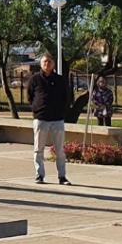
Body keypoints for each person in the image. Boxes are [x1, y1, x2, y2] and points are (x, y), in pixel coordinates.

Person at [27, 53, 71, 185]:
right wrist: (36, 109)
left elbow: (66, 97)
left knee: (60, 150)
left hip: (57, 119)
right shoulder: (34, 79)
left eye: (49, 62)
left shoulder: (60, 79)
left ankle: (62, 177)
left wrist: (62, 111)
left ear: (53, 64)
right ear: (41, 64)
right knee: (38, 149)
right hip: (41, 118)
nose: (47, 64)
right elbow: (29, 96)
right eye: (45, 62)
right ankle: (39, 175)